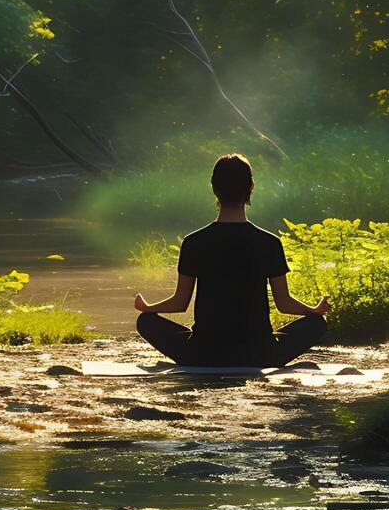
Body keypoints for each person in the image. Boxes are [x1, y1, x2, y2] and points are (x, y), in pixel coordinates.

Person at [133, 153, 330, 367]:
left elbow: (180, 303)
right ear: (250, 188)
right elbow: (284, 303)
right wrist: (314, 310)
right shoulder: (269, 243)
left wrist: (148, 307)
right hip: (260, 355)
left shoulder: (194, 242)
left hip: (203, 354)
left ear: (214, 189)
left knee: (146, 321)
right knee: (316, 324)